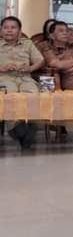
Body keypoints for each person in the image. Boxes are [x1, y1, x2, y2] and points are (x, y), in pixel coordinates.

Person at [0, 16, 44, 150]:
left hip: (25, 78)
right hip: (4, 78)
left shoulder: (27, 43)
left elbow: (40, 60)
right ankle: (17, 129)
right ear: (1, 30)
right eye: (6, 28)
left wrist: (29, 68)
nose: (9, 30)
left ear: (19, 31)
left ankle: (28, 126)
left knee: (33, 95)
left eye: (13, 28)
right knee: (10, 96)